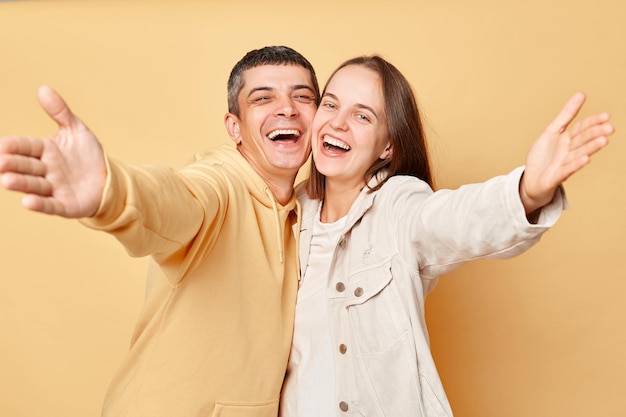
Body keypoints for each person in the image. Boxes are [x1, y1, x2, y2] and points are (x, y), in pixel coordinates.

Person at [280, 55, 614, 416]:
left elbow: (453, 219)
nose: (338, 123)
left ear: (387, 146)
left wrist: (527, 192)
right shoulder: (289, 213)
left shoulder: (398, 205)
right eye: (330, 104)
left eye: (363, 116)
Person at [0, 46, 320, 417]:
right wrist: (111, 189)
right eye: (263, 98)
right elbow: (176, 200)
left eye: (303, 96)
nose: (288, 109)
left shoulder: (306, 213)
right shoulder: (219, 186)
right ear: (235, 127)